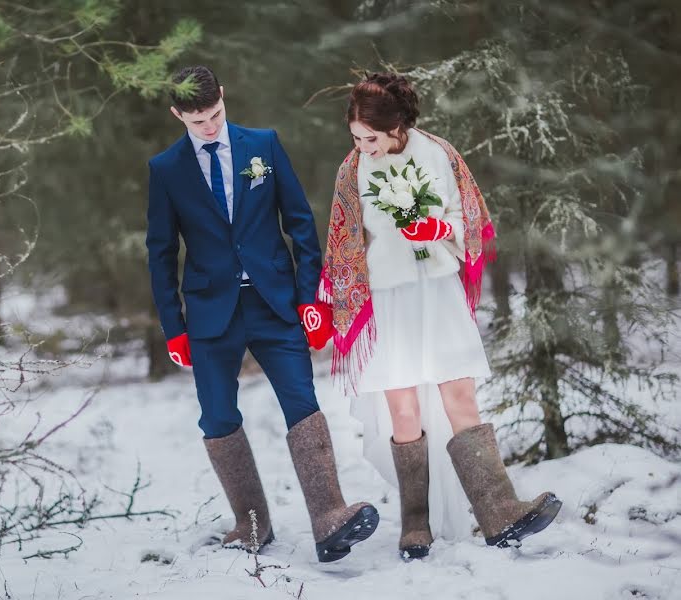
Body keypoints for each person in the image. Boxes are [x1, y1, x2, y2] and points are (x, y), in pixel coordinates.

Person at [317, 72, 562, 560]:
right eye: (355, 138)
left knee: (460, 395)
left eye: (371, 138)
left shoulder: (438, 154)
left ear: (397, 127)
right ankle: (414, 523)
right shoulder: (352, 170)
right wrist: (333, 301)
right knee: (403, 407)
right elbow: (343, 240)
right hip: (388, 297)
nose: (362, 147)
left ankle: (499, 511)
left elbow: (466, 220)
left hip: (439, 289)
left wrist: (434, 227)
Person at [145, 65, 377, 562]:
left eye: (215, 115)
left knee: (302, 399)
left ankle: (329, 516)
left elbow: (299, 224)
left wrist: (309, 299)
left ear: (224, 99)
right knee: (217, 416)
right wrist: (174, 327)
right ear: (177, 115)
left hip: (274, 304)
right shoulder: (166, 169)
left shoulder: (264, 145)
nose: (209, 127)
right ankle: (251, 525)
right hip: (210, 315)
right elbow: (161, 252)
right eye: (197, 121)